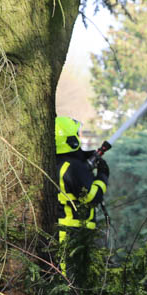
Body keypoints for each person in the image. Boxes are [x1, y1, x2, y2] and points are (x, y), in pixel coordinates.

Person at [55, 115, 108, 276]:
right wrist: (102, 176)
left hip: (65, 230)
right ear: (71, 140)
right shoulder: (73, 168)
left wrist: (84, 157)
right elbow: (92, 197)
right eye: (76, 134)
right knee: (73, 279)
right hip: (74, 231)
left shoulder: (60, 163)